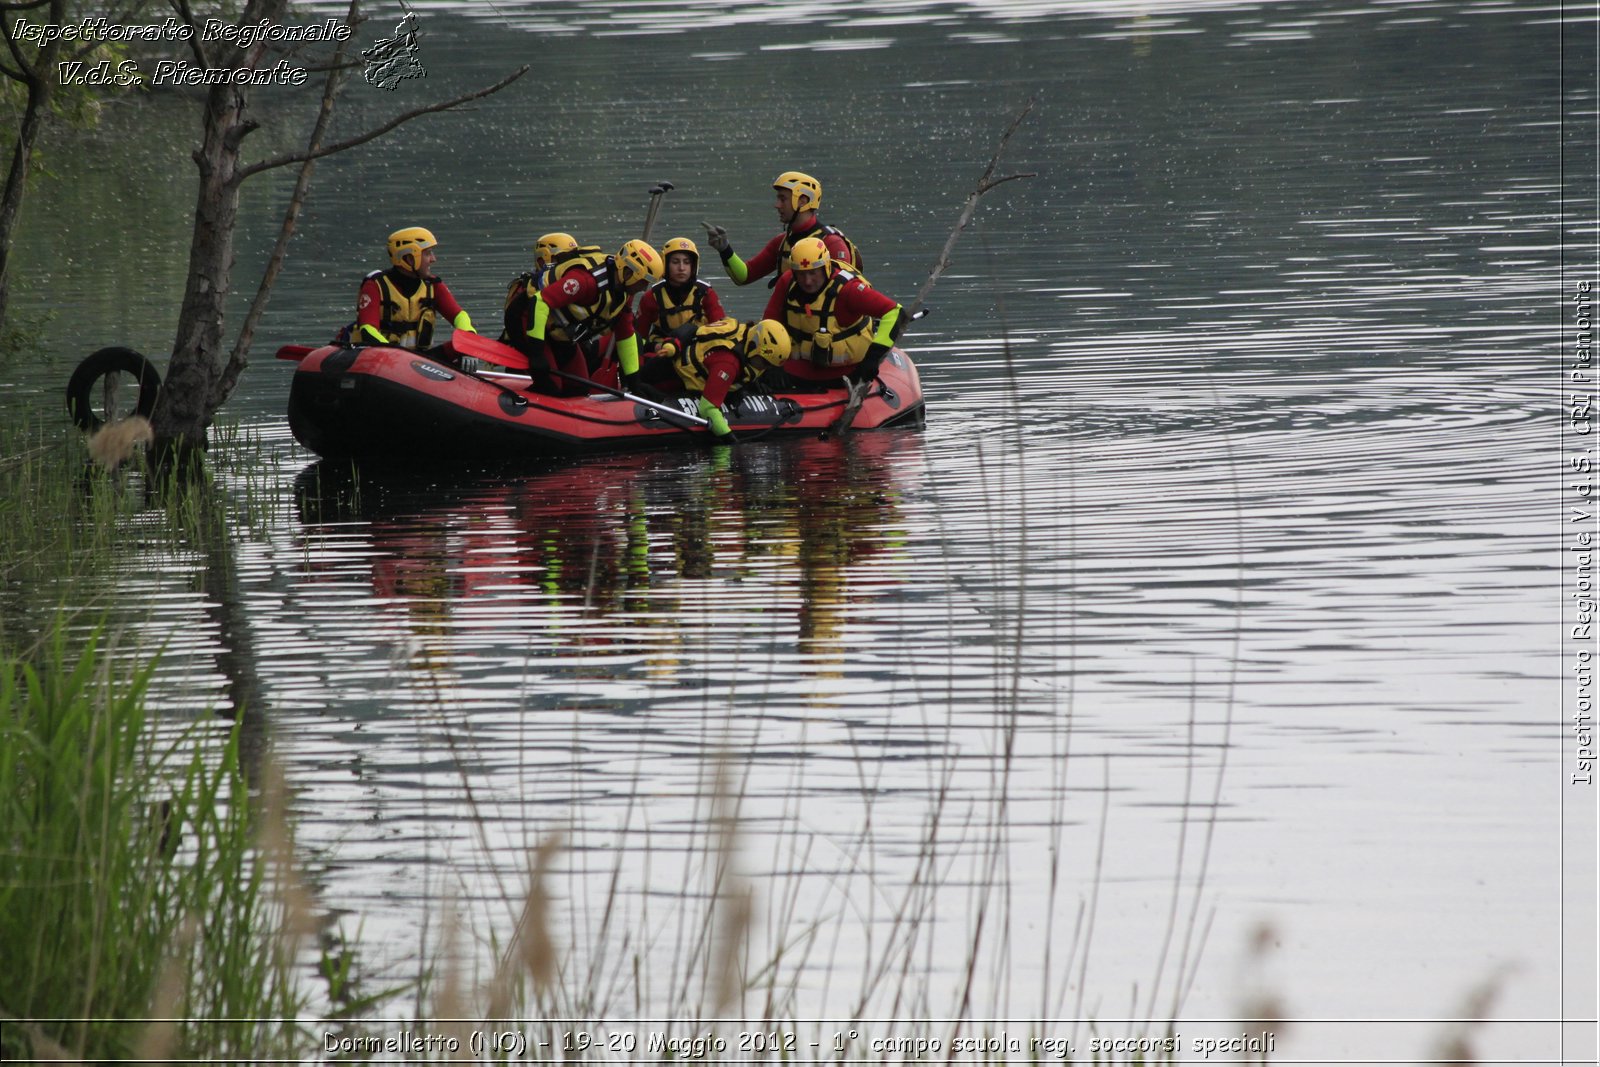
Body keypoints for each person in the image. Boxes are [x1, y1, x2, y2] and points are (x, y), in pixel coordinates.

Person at [509, 238, 663, 396]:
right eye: (644, 281)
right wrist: (537, 353)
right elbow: (539, 302)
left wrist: (634, 381)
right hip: (527, 317)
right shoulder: (585, 281)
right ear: (629, 272)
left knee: (579, 389)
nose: (644, 288)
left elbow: (625, 335)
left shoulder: (624, 294)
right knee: (549, 386)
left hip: (560, 333)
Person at [762, 236, 904, 386]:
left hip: (846, 374)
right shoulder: (787, 282)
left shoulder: (849, 290)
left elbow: (894, 312)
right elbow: (768, 326)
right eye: (801, 274)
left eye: (813, 273)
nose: (807, 281)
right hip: (798, 369)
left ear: (825, 268)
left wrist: (873, 358)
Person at [633, 318, 792, 441]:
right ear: (754, 347)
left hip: (686, 368)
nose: (764, 368)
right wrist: (729, 439)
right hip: (670, 378)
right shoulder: (728, 363)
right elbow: (707, 408)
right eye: (764, 363)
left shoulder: (746, 335)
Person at [702, 170, 861, 288]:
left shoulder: (832, 243)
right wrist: (725, 250)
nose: (777, 205)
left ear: (802, 201)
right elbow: (744, 276)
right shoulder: (781, 242)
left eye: (782, 199)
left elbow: (845, 291)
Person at [352, 226, 476, 349]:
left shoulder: (433, 286)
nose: (433, 259)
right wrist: (397, 355)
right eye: (428, 254)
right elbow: (368, 330)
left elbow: (460, 316)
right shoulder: (374, 285)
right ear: (409, 259)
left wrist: (468, 341)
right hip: (380, 357)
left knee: (457, 348)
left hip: (418, 361)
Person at [635, 237, 726, 352]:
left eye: (687, 262)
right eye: (675, 262)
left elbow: (722, 331)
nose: (682, 268)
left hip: (697, 353)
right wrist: (655, 347)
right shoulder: (651, 297)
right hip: (661, 353)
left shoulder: (706, 293)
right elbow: (638, 339)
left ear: (693, 266)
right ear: (665, 264)